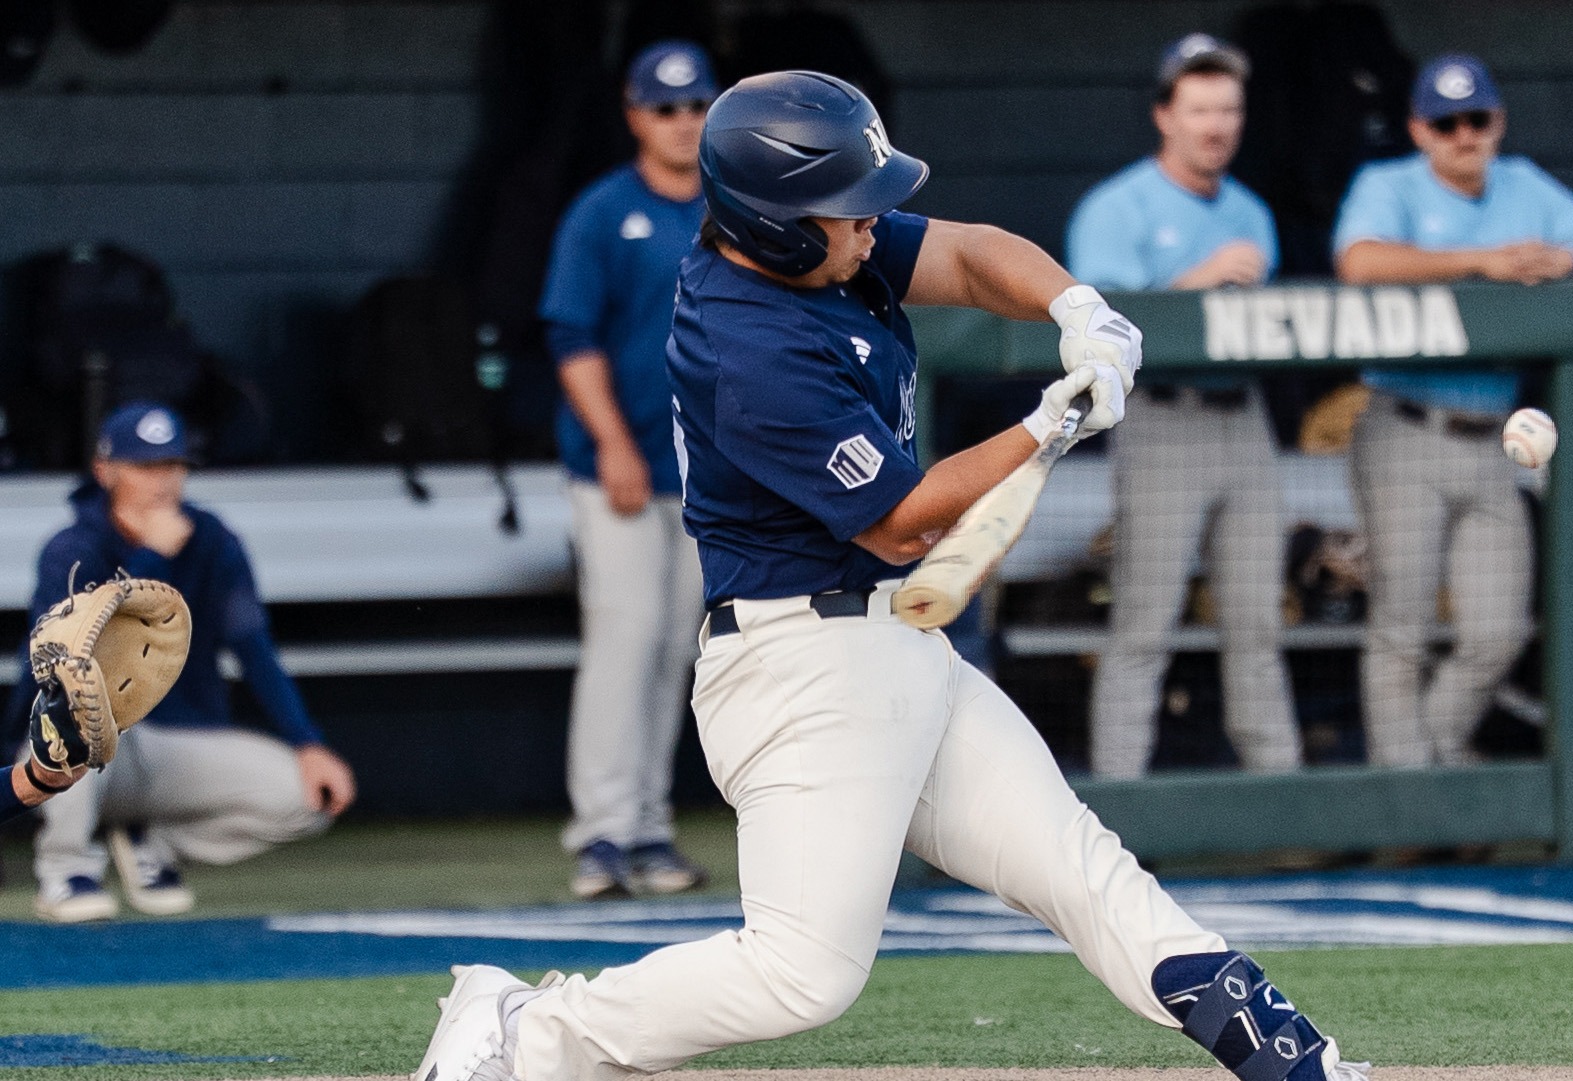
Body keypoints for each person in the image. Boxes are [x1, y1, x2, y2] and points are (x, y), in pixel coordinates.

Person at [414, 72, 1367, 1081]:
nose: (874, 227)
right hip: (800, 669)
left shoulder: (825, 257)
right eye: (850, 213)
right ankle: (523, 1037)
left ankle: (1293, 1062)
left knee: (1076, 867)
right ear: (777, 227)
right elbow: (900, 526)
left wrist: (1075, 308)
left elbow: (961, 252)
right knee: (800, 974)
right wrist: (1049, 424)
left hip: (897, 646)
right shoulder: (747, 345)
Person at [1333, 54, 1573, 767]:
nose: (1464, 135)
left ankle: (1427, 762)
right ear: (1419, 129)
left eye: (1477, 120)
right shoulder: (1389, 184)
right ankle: (1407, 797)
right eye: (1447, 123)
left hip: (1494, 434)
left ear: (1497, 122)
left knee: (1497, 628)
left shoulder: (1523, 184)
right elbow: (1360, 262)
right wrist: (1480, 262)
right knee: (1402, 623)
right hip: (1407, 420)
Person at [10, 403, 356, 923]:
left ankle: (156, 844)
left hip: (176, 744)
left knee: (306, 796)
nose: (162, 482)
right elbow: (68, 663)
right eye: (144, 467)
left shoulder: (211, 540)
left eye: (173, 466)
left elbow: (253, 646)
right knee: (71, 726)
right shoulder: (72, 548)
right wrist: (149, 558)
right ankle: (66, 868)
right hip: (84, 747)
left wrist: (306, 742)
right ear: (106, 471)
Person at [1068, 33, 1299, 779]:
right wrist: (1198, 278)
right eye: (1199, 108)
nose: (1216, 124)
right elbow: (1097, 328)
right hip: (1162, 418)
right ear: (1166, 114)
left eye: (1228, 109)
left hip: (1245, 418)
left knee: (1259, 623)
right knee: (1145, 622)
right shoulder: (1117, 207)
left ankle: (1279, 795)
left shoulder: (1251, 211)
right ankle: (1118, 802)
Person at [538, 39, 714, 899]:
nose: (683, 123)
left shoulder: (734, 206)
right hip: (618, 464)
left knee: (677, 646)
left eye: (695, 106)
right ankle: (602, 832)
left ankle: (648, 825)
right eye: (666, 108)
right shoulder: (604, 210)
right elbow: (571, 337)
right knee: (624, 634)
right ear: (636, 115)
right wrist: (612, 441)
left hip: (704, 470)